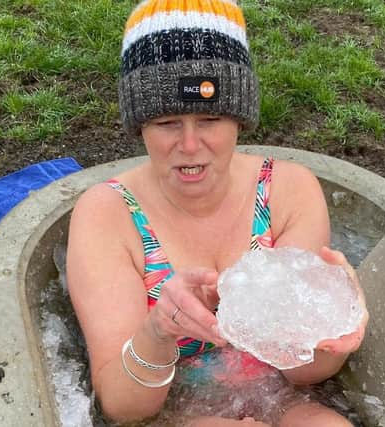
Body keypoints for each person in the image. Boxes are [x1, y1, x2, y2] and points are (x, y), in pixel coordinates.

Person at [66, 1, 369, 425]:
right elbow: (123, 406)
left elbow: (303, 373)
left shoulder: (286, 191)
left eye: (209, 118)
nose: (190, 146)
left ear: (239, 120)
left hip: (278, 392)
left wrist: (332, 322)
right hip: (170, 407)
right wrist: (158, 331)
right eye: (167, 122)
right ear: (140, 126)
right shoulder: (109, 214)